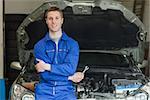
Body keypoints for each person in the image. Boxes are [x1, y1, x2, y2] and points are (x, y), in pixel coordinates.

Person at [34, 6, 84, 100]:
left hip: (65, 91)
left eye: (57, 18)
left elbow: (70, 69)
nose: (54, 22)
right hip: (44, 91)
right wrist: (69, 78)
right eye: (50, 18)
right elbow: (45, 75)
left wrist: (47, 66)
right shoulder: (39, 46)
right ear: (46, 21)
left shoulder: (72, 44)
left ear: (62, 20)